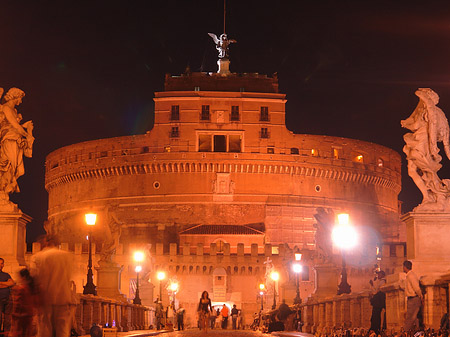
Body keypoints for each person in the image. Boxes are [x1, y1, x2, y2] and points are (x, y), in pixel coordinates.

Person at [30, 235, 75, 337]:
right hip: (63, 298)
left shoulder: (38, 257)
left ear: (46, 242)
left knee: (44, 330)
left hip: (45, 299)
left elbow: (34, 277)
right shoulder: (68, 256)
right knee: (62, 330)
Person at [0, 88, 34, 199]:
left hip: (16, 140)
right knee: (9, 165)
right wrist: (27, 134)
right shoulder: (6, 108)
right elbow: (15, 126)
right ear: (15, 96)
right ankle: (4, 190)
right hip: (8, 139)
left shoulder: (14, 111)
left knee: (15, 168)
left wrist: (26, 127)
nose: (21, 101)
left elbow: (15, 127)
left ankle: (5, 191)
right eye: (20, 98)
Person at [9, 268, 38, 337]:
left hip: (21, 317)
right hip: (30, 315)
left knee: (20, 333)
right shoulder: (32, 288)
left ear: (23, 277)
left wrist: (13, 318)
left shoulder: (20, 289)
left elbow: (17, 305)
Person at [403, 260, 423, 333]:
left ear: (405, 267)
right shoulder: (409, 275)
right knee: (414, 317)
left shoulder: (411, 276)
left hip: (413, 299)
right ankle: (416, 332)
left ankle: (406, 332)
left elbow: (416, 288)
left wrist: (421, 296)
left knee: (410, 317)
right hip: (412, 299)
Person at [369, 270, 386, 334]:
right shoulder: (379, 282)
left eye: (379, 274)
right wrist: (372, 285)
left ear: (382, 275)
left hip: (378, 302)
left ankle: (375, 329)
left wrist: (372, 285)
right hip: (378, 301)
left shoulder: (382, 282)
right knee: (375, 316)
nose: (378, 275)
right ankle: (375, 329)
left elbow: (376, 291)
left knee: (375, 315)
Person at [0, 257, 14, 334]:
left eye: (2, 263)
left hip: (7, 299)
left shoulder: (6, 274)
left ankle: (6, 333)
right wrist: (6, 284)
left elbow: (12, 283)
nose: (1, 265)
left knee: (8, 318)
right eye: (0, 263)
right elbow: (8, 284)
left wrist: (1, 283)